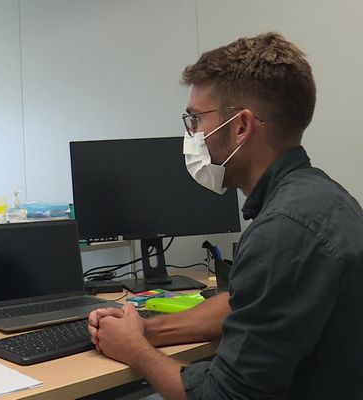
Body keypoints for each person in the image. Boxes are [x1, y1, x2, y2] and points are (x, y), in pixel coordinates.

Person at [89, 32, 363, 399]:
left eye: (196, 119)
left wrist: (135, 351)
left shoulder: (284, 229)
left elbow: (223, 396)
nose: (193, 135)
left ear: (240, 128)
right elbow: (243, 304)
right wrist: (146, 330)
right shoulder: (320, 197)